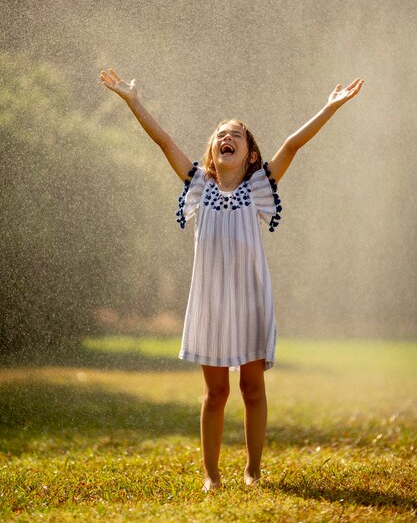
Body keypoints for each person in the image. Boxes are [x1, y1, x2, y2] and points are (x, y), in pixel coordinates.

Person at [99, 68, 364, 490]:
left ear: (250, 155)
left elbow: (292, 144)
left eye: (236, 135)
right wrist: (133, 101)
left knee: (252, 388)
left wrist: (328, 108)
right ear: (212, 151)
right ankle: (211, 475)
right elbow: (164, 141)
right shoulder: (199, 184)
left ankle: (253, 471)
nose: (226, 136)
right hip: (210, 303)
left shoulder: (260, 185)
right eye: (221, 133)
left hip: (250, 300)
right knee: (216, 393)